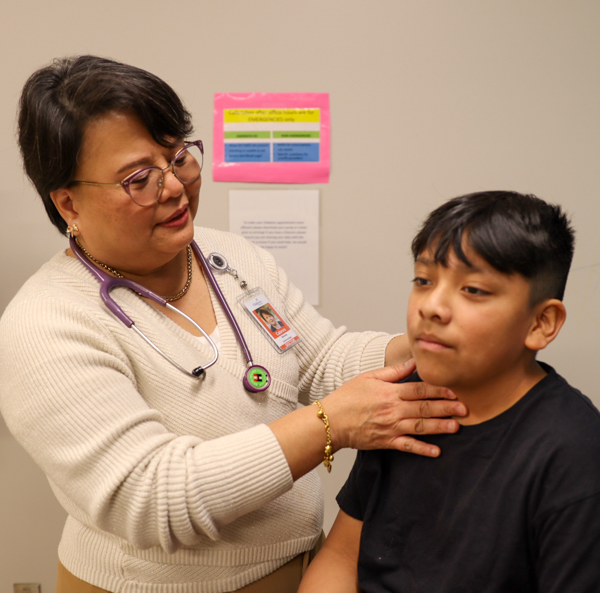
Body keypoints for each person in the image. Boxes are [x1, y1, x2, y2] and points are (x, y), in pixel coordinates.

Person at [0, 56, 468, 593]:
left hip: (303, 570)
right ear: (68, 203)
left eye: (178, 157)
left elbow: (318, 359)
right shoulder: (45, 325)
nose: (174, 187)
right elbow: (156, 498)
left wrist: (428, 344)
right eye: (139, 179)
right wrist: (329, 425)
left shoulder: (229, 257)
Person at [299, 191, 600, 593]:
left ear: (541, 322)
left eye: (473, 290)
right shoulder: (401, 404)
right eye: (423, 281)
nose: (432, 307)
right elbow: (339, 560)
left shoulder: (573, 451)